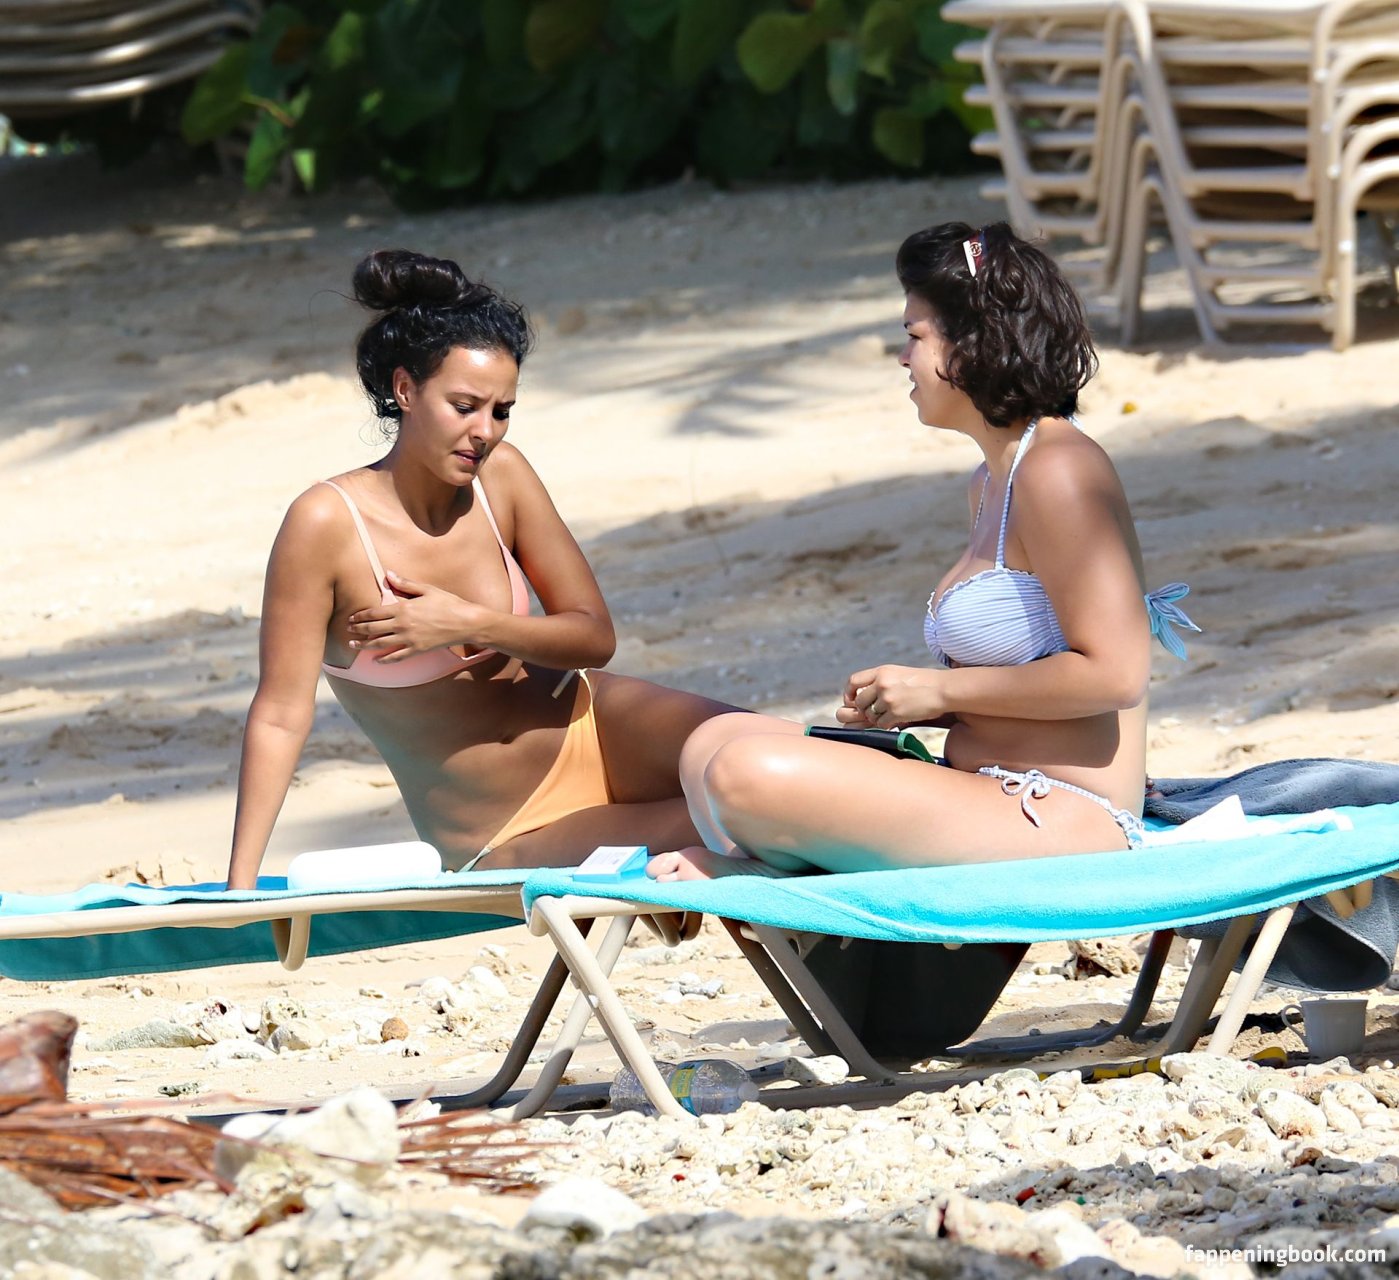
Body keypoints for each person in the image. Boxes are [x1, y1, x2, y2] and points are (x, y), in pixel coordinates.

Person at [648, 221, 1197, 881]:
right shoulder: (991, 481)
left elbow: (1116, 675)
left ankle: (780, 879)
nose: (902, 359)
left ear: (974, 345)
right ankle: (788, 874)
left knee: (744, 771)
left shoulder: (1060, 472)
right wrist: (925, 705)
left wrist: (936, 687)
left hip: (1064, 814)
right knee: (711, 743)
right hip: (981, 788)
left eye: (914, 336)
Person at [226, 249, 731, 890]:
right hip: (505, 828)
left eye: (501, 410)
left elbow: (593, 637)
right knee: (757, 817)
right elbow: (279, 714)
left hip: (593, 722)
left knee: (791, 759)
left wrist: (467, 623)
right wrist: (238, 888)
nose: (485, 431)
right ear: (405, 390)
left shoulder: (503, 478)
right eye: (464, 406)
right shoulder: (325, 523)